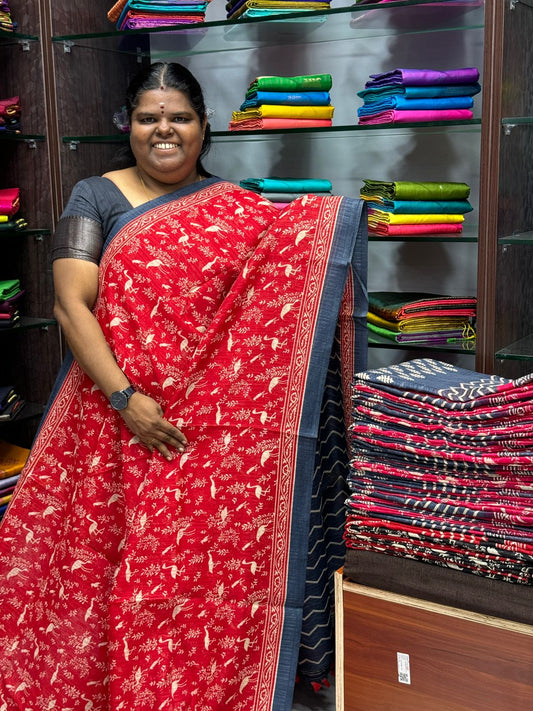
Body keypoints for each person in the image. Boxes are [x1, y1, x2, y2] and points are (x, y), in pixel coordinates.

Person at [0, 62, 367, 710]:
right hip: (111, 424)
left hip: (201, 441)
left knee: (187, 585)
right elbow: (69, 305)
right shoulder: (96, 196)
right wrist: (125, 398)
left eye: (179, 117)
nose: (162, 130)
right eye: (148, 117)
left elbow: (270, 314)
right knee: (108, 578)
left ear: (203, 128)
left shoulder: (239, 209)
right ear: (129, 125)